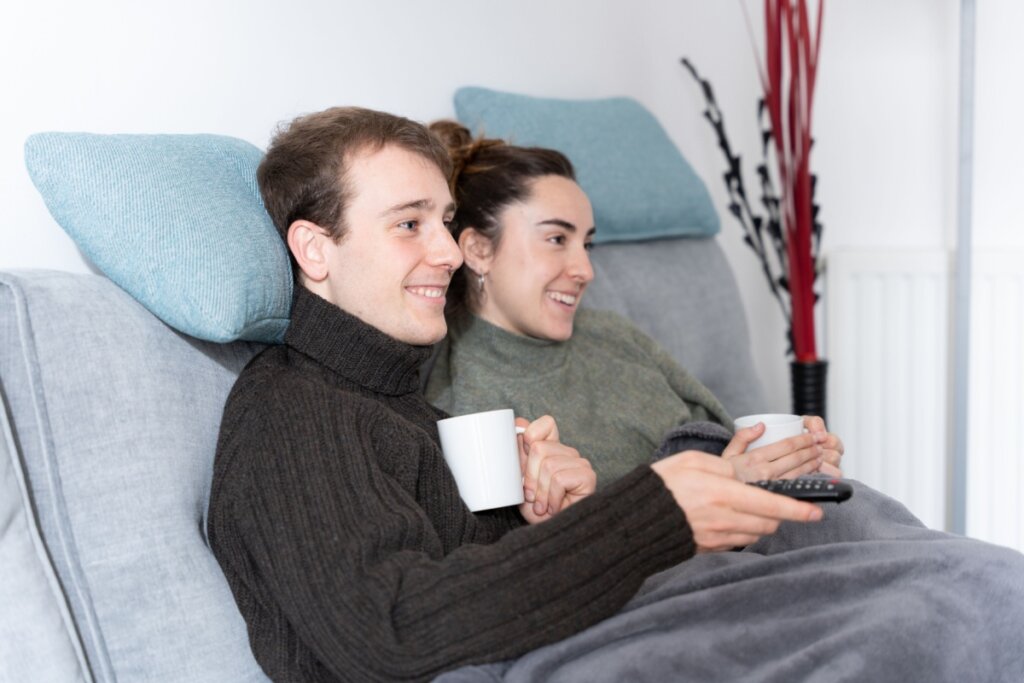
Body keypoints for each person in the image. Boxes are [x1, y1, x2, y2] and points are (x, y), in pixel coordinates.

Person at [205, 106, 825, 682]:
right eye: (409, 224)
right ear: (316, 249)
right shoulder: (294, 412)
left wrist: (544, 520)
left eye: (444, 223)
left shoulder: (403, 407)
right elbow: (392, 631)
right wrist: (650, 514)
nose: (448, 252)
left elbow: (479, 598)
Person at [424, 121, 843, 486]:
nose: (586, 270)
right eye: (556, 239)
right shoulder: (461, 397)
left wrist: (792, 459)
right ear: (478, 249)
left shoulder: (613, 334)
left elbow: (728, 442)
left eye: (587, 244)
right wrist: (724, 482)